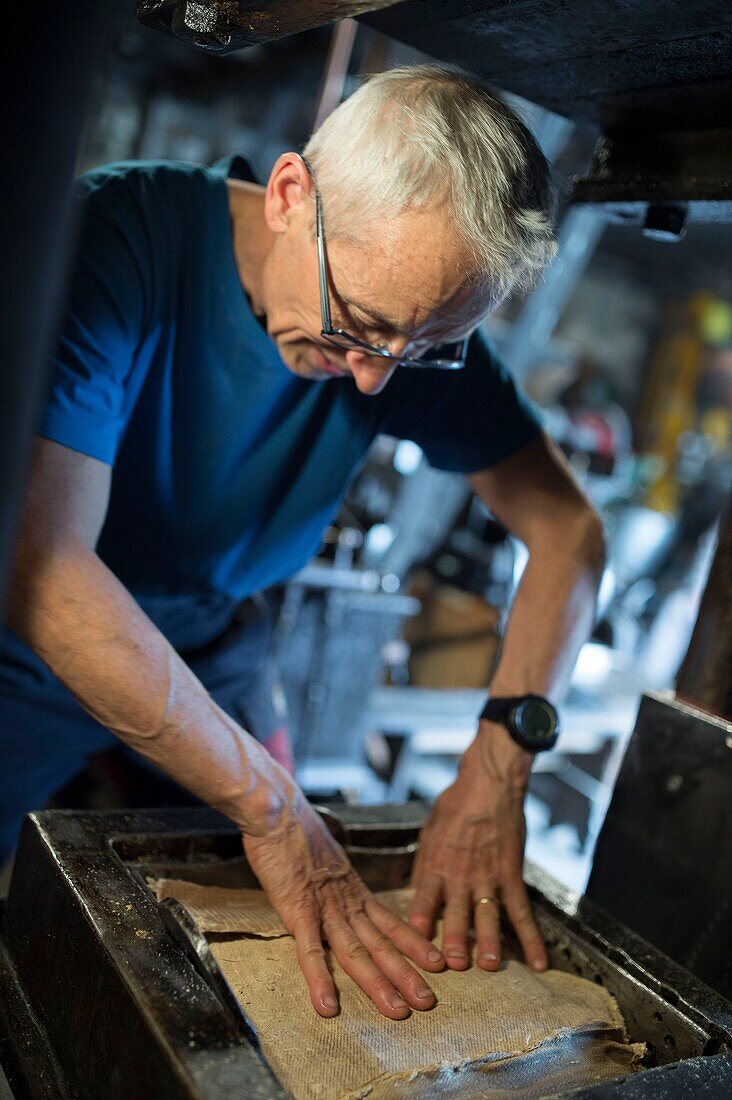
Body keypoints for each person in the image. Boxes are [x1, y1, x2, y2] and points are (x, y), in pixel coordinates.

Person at [2, 66, 605, 1020]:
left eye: (416, 351)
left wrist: (497, 766)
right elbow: (42, 569)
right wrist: (270, 805)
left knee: (285, 934)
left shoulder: (405, 318)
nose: (372, 382)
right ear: (291, 195)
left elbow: (568, 530)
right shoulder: (120, 240)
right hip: (30, 648)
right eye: (357, 328)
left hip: (215, 646)